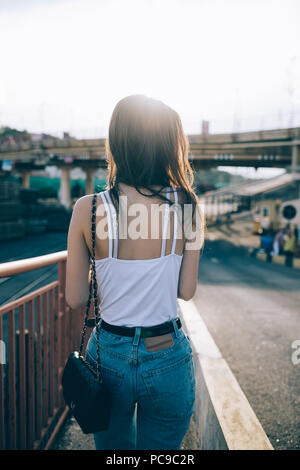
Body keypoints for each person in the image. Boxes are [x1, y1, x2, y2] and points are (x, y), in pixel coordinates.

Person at [65, 95, 204, 450]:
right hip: (166, 349)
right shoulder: (188, 204)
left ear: (117, 144)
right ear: (167, 145)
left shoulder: (87, 208)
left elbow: (76, 298)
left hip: (109, 350)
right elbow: (186, 291)